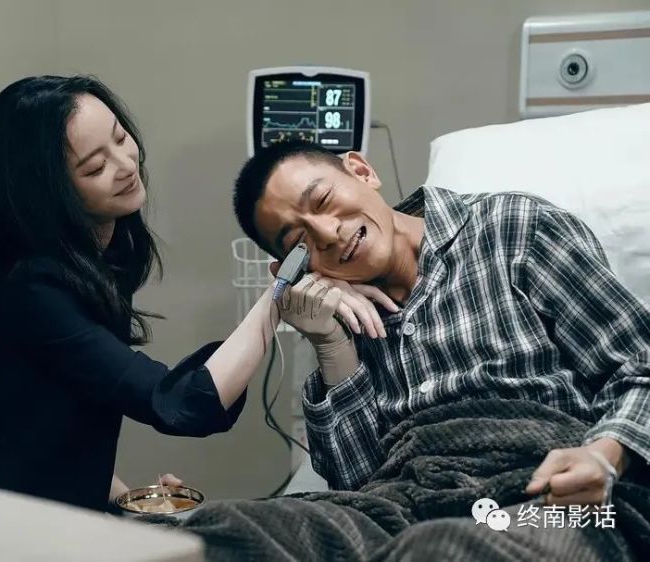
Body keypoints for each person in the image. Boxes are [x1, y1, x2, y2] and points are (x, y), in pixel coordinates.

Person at [0, 77, 387, 512]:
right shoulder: (31, 292)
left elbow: (53, 418)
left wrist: (130, 501)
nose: (125, 164)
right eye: (95, 166)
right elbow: (186, 404)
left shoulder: (97, 261)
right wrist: (279, 294)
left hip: (30, 508)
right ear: (48, 193)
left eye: (120, 137)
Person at [194, 139, 650, 560]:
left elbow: (640, 365)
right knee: (218, 530)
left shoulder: (514, 228)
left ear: (361, 171)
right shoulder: (342, 312)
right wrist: (330, 343)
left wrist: (603, 455)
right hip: (401, 505)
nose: (327, 234)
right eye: (299, 242)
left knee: (439, 549)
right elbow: (356, 484)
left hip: (545, 494)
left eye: (324, 201)